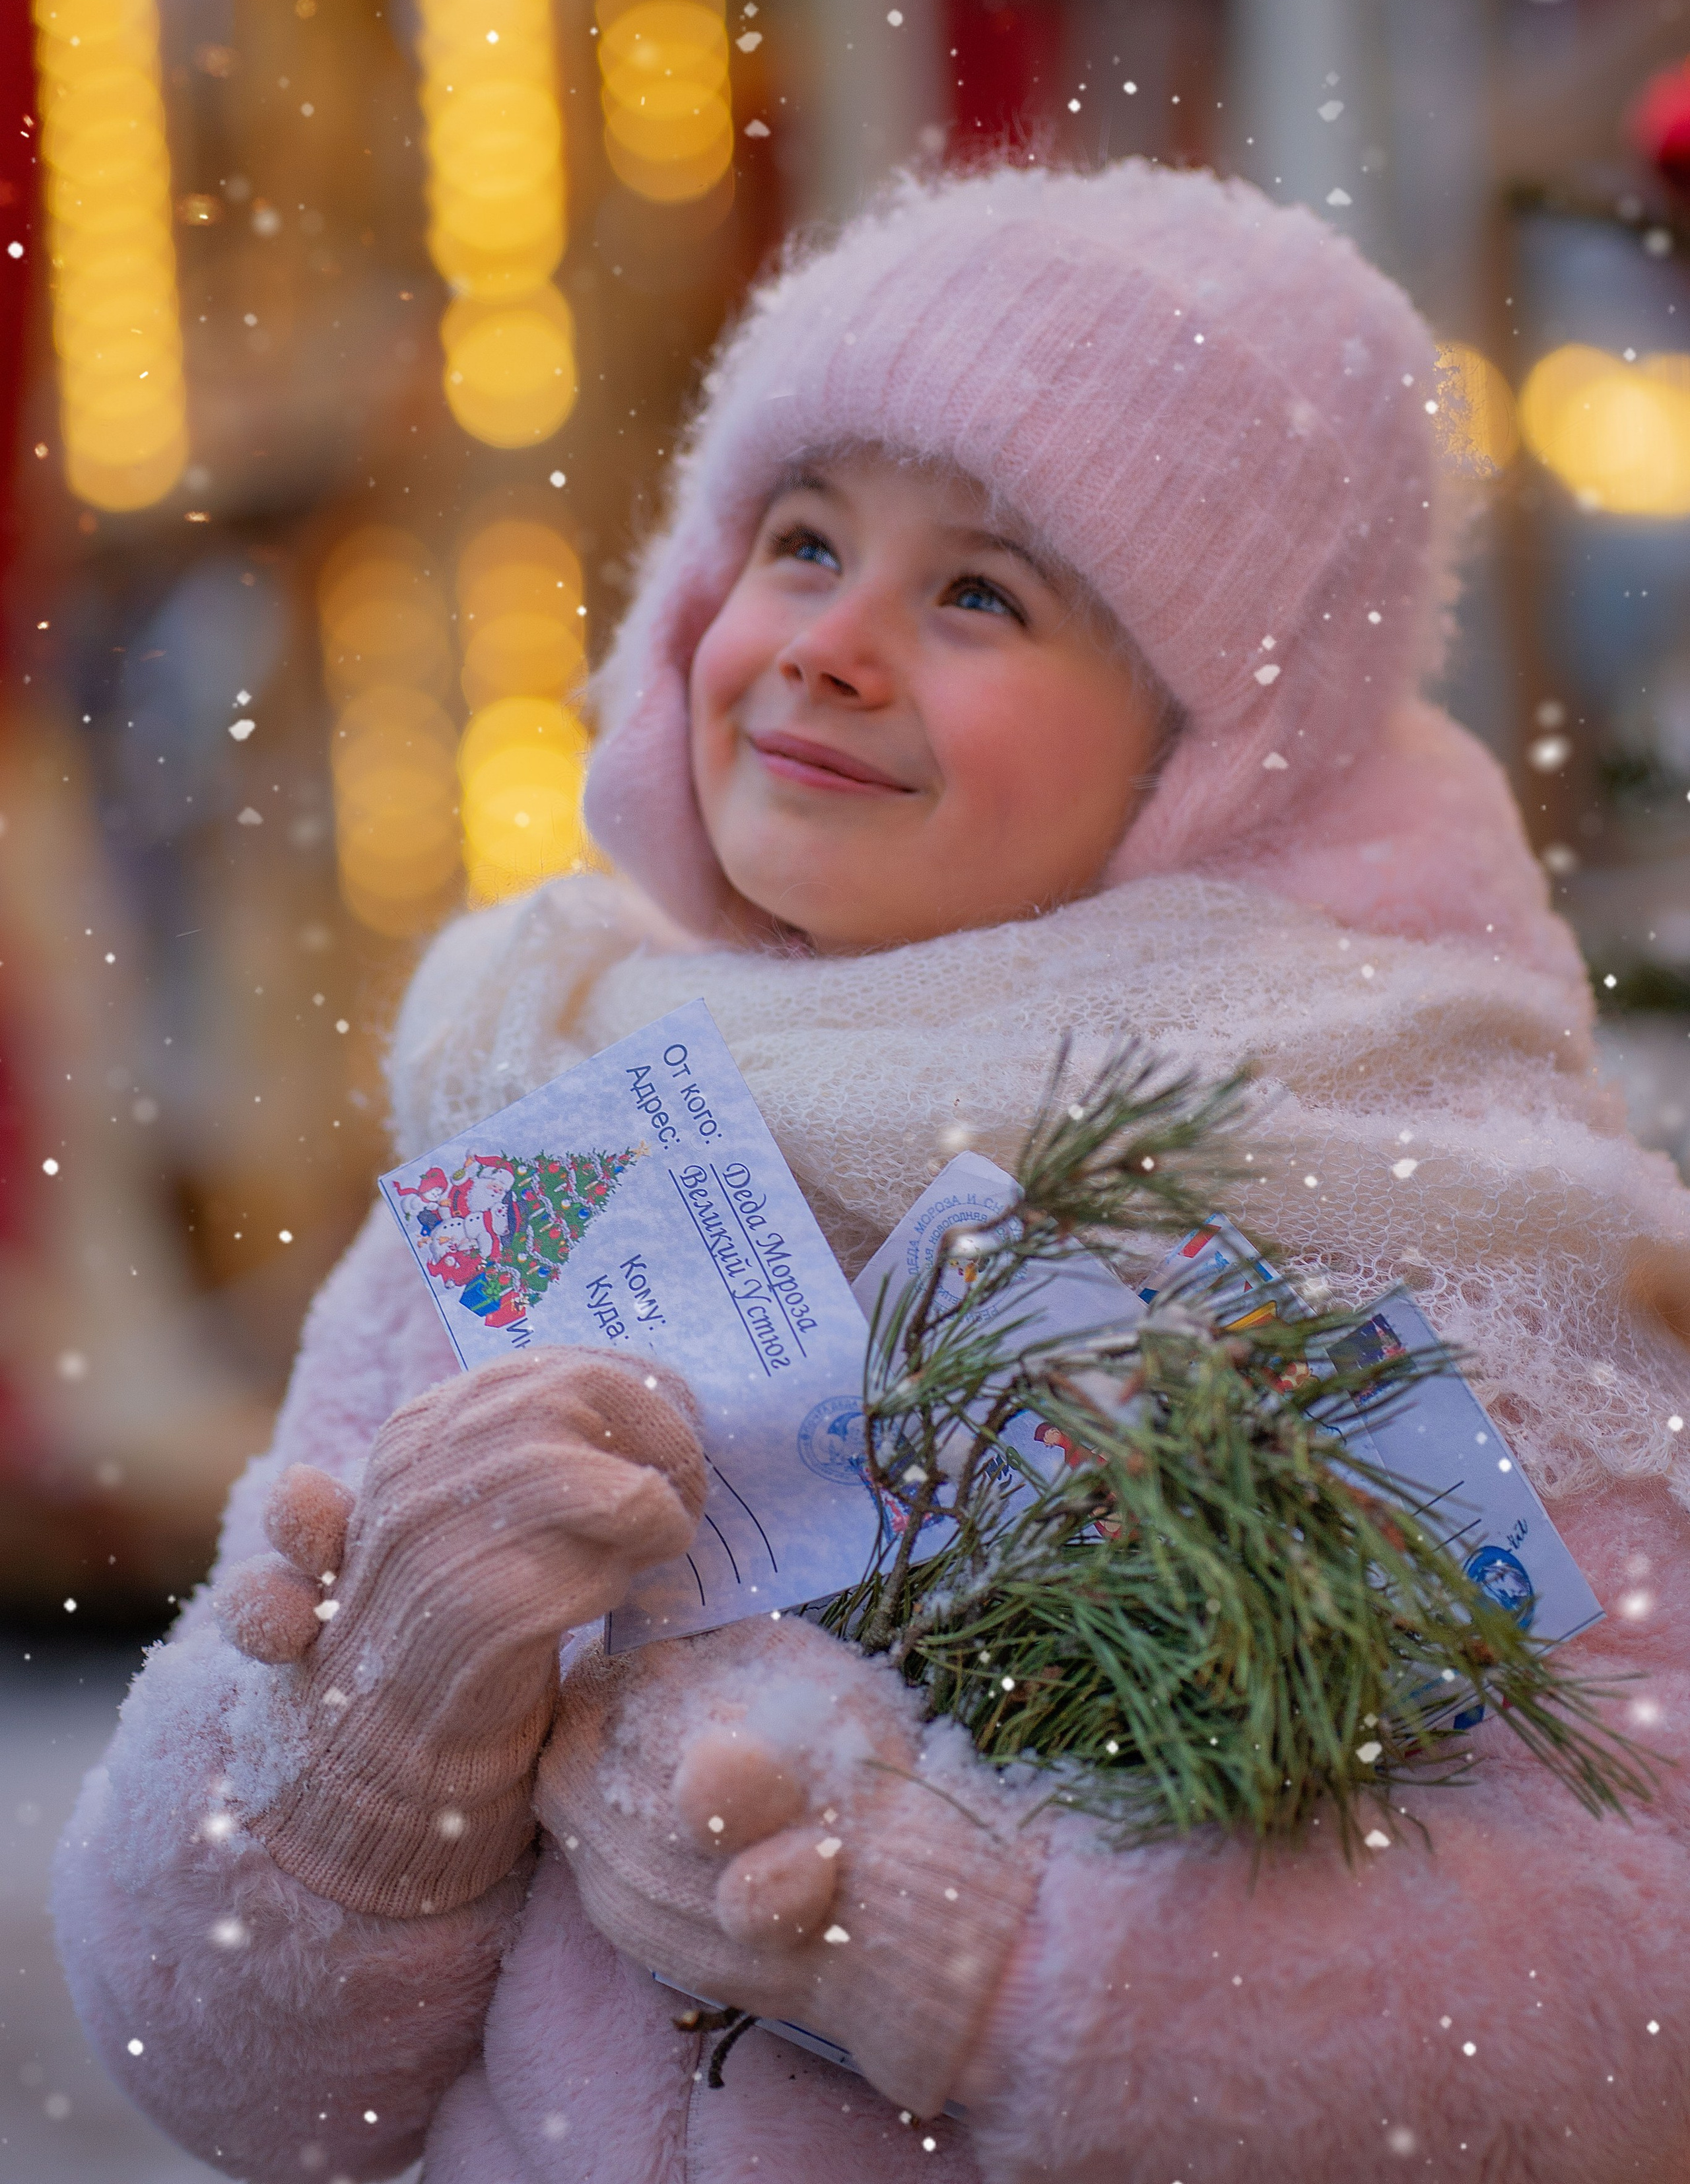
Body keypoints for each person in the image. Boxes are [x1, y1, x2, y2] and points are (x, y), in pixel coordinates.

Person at [54, 162, 1690, 2183]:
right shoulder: (569, 1106)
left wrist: (967, 1951)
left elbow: (1631, 2014)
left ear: (1216, 750)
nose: (826, 645)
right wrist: (380, 1739)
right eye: (802, 540)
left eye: (980, 593)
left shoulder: (1411, 1195)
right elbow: (216, 2073)